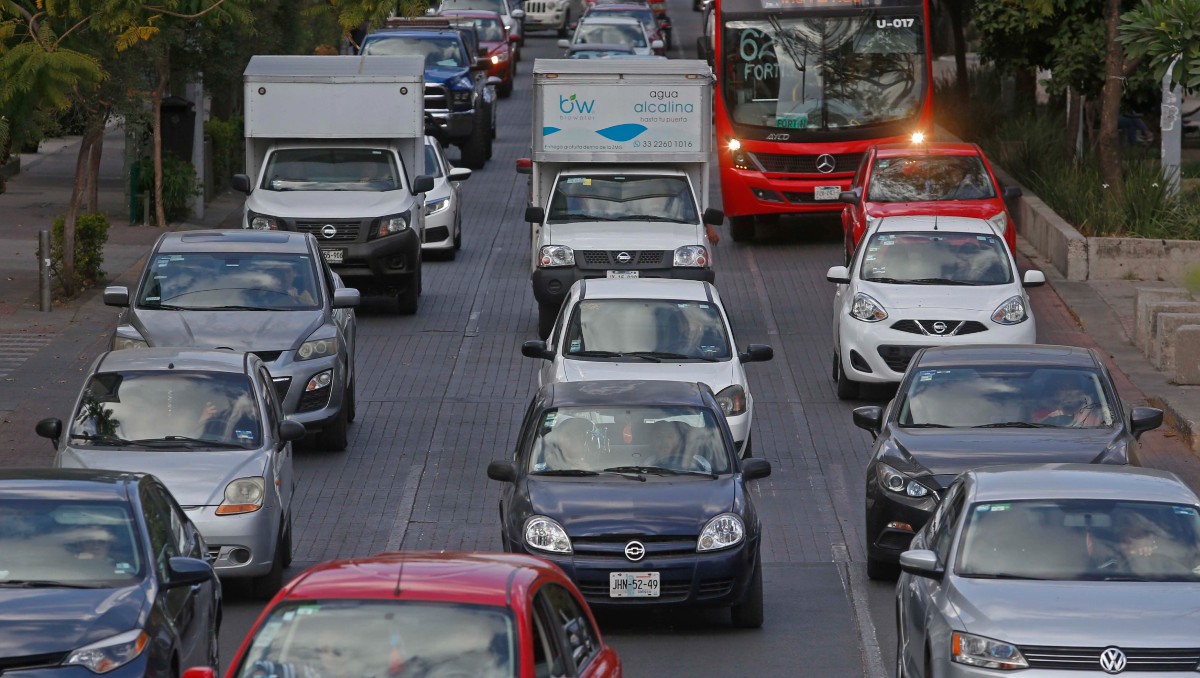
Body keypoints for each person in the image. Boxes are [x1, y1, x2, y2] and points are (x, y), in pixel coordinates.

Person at [1035, 376, 1104, 427]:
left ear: (1081, 392)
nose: (1068, 393)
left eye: (1073, 388)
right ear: (1056, 394)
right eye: (1063, 388)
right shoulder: (1044, 415)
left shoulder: (1094, 417)